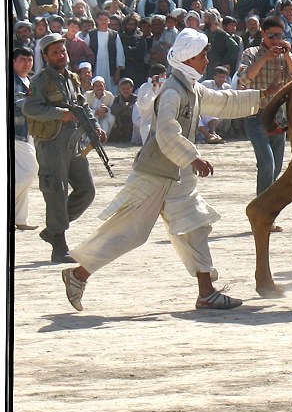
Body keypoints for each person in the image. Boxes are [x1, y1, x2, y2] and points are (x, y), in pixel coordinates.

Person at [62, 28, 265, 312]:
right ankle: (78, 274)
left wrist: (263, 98)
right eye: (202, 55)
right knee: (129, 231)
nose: (207, 59)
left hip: (178, 175)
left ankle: (206, 293)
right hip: (155, 172)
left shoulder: (191, 88)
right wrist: (193, 157)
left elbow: (224, 101)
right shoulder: (172, 91)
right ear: (188, 59)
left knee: (194, 226)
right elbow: (167, 133)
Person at [23, 33, 105, 263]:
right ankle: (59, 246)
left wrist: (95, 127)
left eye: (63, 51)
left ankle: (53, 230)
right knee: (56, 192)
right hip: (50, 143)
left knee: (86, 190)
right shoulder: (40, 80)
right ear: (46, 55)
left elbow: (82, 106)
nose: (61, 56)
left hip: (73, 143)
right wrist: (61, 114)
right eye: (56, 52)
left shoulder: (72, 78)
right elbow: (30, 108)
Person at [237, 16, 292, 200]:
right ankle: (262, 210)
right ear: (262, 34)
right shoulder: (251, 53)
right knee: (267, 164)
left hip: (277, 116)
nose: (276, 40)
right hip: (255, 115)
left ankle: (265, 207)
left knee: (277, 167)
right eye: (272, 35)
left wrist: (287, 54)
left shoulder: (284, 56)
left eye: (279, 36)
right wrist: (264, 57)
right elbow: (245, 78)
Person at [14, 47, 39, 231]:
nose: (26, 64)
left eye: (29, 60)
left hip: (27, 132)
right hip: (15, 132)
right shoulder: (11, 81)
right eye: (22, 60)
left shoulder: (28, 81)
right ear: (13, 61)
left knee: (21, 175)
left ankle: (20, 218)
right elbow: (15, 106)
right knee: (29, 171)